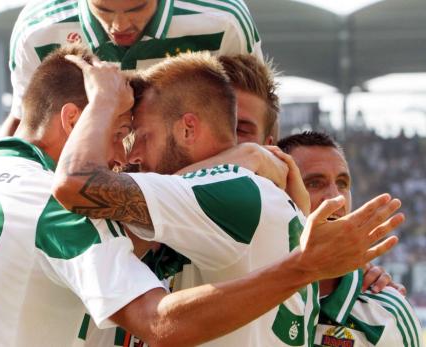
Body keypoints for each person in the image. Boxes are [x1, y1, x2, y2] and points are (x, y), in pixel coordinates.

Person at [52, 51, 404, 346]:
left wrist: (101, 101)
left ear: (188, 128)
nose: (134, 154)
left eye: (142, 136)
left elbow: (75, 184)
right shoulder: (241, 197)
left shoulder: (236, 192)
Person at [1, 0, 263, 136]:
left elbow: (259, 113)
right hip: (82, 185)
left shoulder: (224, 19)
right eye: (102, 8)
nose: (119, 25)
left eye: (137, 7)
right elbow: (26, 122)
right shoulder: (36, 30)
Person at [278, 131, 424, 347]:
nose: (336, 197)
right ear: (277, 192)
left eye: (343, 183)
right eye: (314, 183)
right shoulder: (246, 290)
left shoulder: (388, 313)